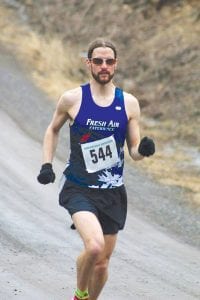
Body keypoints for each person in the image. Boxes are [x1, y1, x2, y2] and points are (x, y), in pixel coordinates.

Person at [37, 38, 155, 300]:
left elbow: (133, 151)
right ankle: (79, 295)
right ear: (88, 63)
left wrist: (143, 150)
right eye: (98, 61)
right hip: (78, 188)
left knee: (101, 263)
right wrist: (47, 164)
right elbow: (52, 129)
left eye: (109, 61)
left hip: (112, 192)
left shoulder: (129, 104)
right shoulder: (72, 99)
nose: (104, 66)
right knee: (94, 248)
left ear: (116, 65)